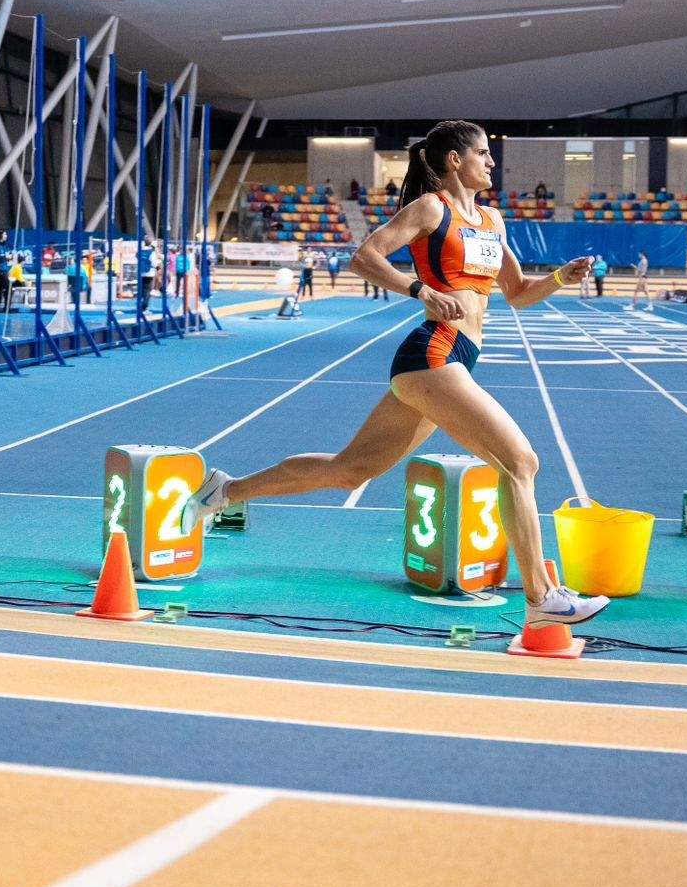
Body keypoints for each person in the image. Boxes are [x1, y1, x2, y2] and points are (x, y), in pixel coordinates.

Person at [190, 121, 607, 628]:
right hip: (434, 354)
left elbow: (517, 293)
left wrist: (562, 277)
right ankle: (542, 599)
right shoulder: (433, 208)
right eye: (483, 153)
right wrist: (421, 291)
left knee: (349, 470)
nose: (492, 162)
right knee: (520, 461)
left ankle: (224, 492)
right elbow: (363, 258)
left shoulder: (493, 221)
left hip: (453, 359)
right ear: (455, 160)